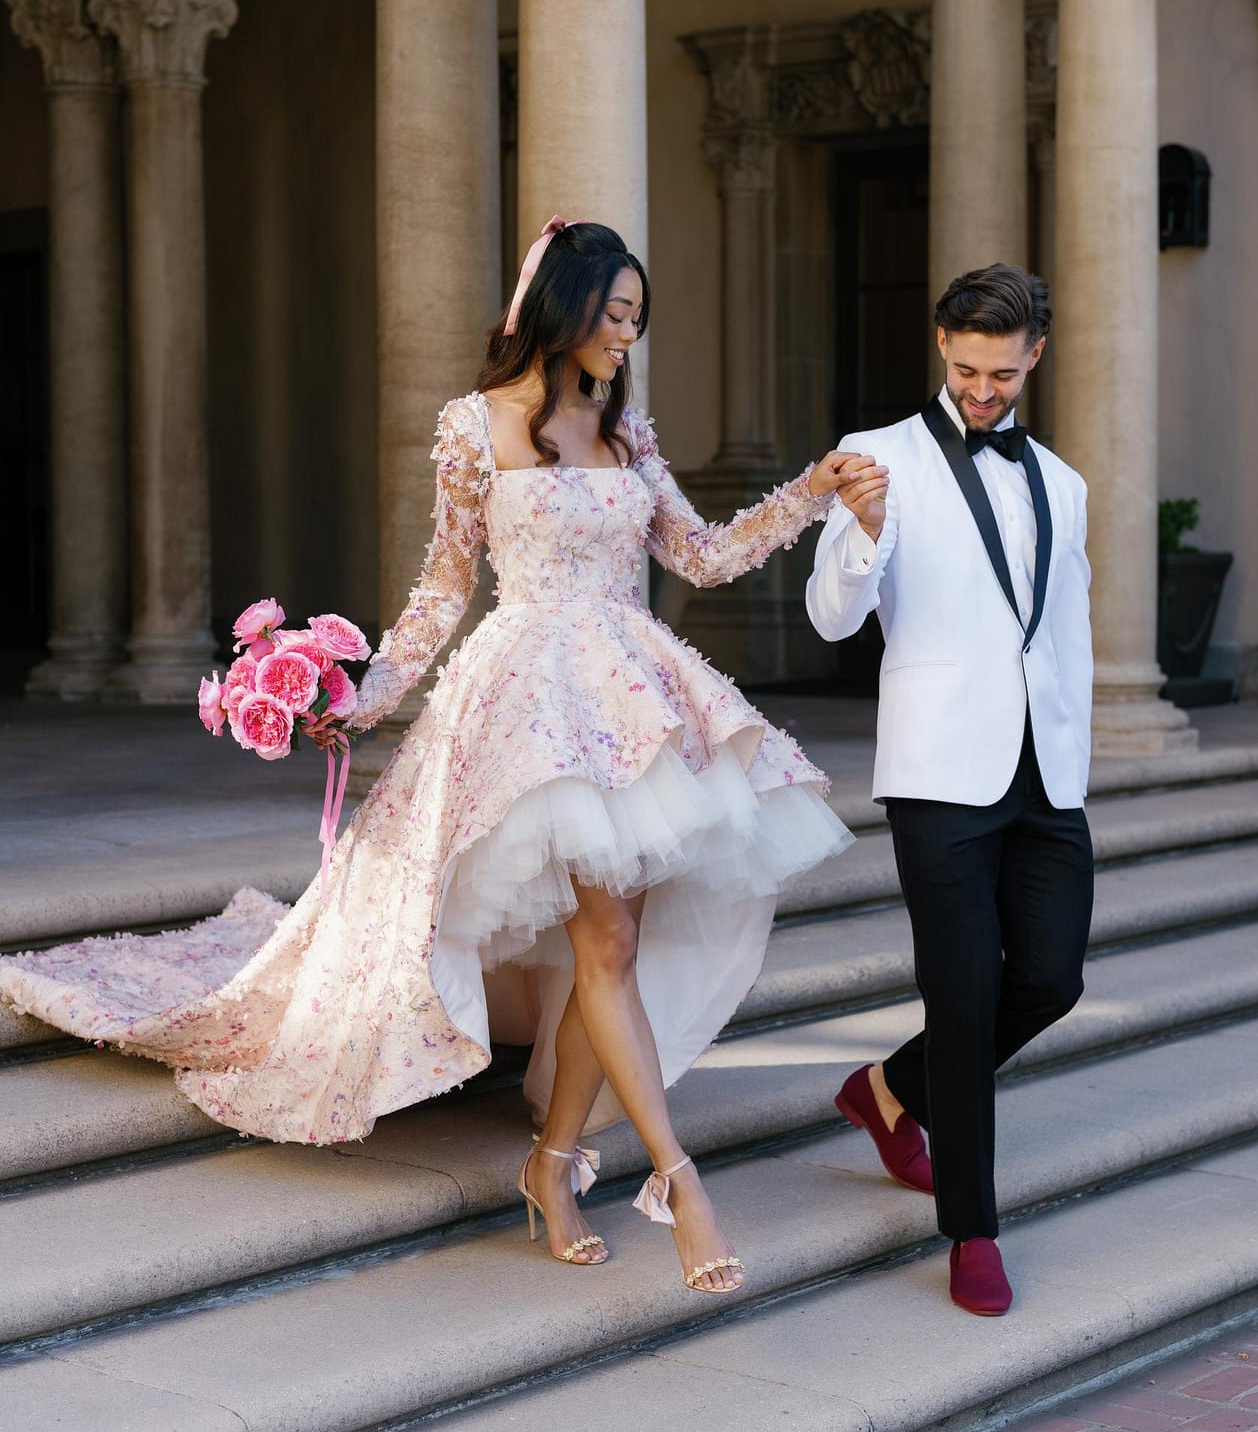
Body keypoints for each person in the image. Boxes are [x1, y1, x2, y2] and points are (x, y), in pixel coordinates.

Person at [0, 218, 868, 1297]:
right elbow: (443, 590)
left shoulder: (629, 430)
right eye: (612, 314)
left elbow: (702, 553)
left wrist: (812, 490)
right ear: (562, 308)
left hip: (630, 696)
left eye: (637, 320)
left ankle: (554, 1164)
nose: (624, 337)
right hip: (526, 702)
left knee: (613, 942)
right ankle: (678, 1181)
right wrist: (362, 698)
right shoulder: (473, 427)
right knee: (606, 937)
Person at [805, 263, 1094, 1317]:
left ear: (1035, 359)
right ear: (941, 347)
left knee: (1052, 978)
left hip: (1045, 774)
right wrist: (866, 532)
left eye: (1003, 373)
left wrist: (1075, 757)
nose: (984, 390)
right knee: (965, 997)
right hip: (938, 776)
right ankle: (973, 1230)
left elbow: (1068, 633)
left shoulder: (1062, 483)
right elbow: (832, 617)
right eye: (968, 368)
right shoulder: (877, 460)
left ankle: (887, 1090)